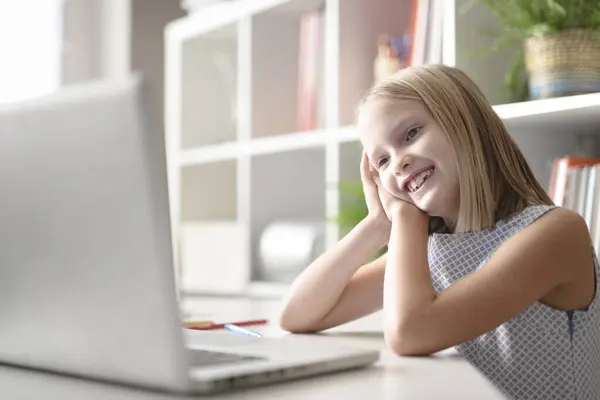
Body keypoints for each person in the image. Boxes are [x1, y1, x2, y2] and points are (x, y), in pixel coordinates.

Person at [277, 64, 600, 400]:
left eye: (411, 134)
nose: (399, 161)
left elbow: (409, 333)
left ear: (465, 123)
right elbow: (296, 314)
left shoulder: (556, 232)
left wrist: (403, 219)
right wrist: (376, 225)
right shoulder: (433, 253)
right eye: (382, 161)